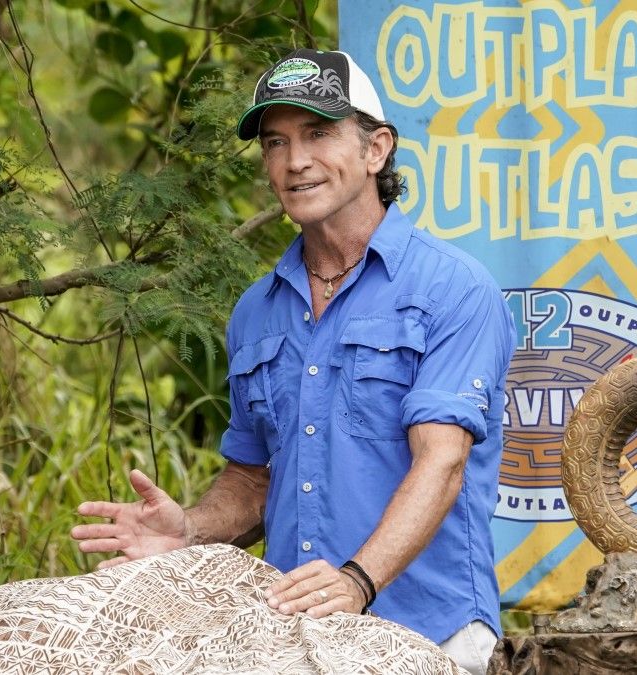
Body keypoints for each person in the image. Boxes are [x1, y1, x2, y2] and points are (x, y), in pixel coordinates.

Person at [70, 48, 515, 674]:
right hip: (294, 645)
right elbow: (254, 480)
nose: (295, 161)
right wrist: (189, 531)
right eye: (275, 143)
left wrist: (358, 581)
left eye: (318, 134)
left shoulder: (454, 289)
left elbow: (441, 462)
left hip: (429, 635)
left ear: (377, 149)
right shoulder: (257, 310)